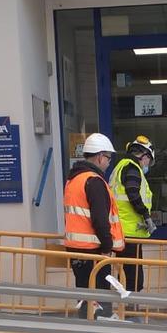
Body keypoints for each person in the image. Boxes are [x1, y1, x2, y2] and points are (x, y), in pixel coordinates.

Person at [63, 133, 124, 320]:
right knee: (100, 299)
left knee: (85, 298)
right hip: (94, 252)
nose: (108, 162)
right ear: (99, 157)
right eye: (108, 158)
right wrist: (107, 247)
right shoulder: (94, 181)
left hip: (77, 251)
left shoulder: (73, 180)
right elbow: (100, 220)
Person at [109, 135, 158, 293]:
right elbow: (133, 193)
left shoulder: (121, 167)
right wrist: (146, 215)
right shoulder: (132, 168)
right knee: (133, 278)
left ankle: (129, 309)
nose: (148, 165)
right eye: (149, 160)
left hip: (123, 230)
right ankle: (131, 311)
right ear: (144, 156)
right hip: (129, 232)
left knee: (127, 275)